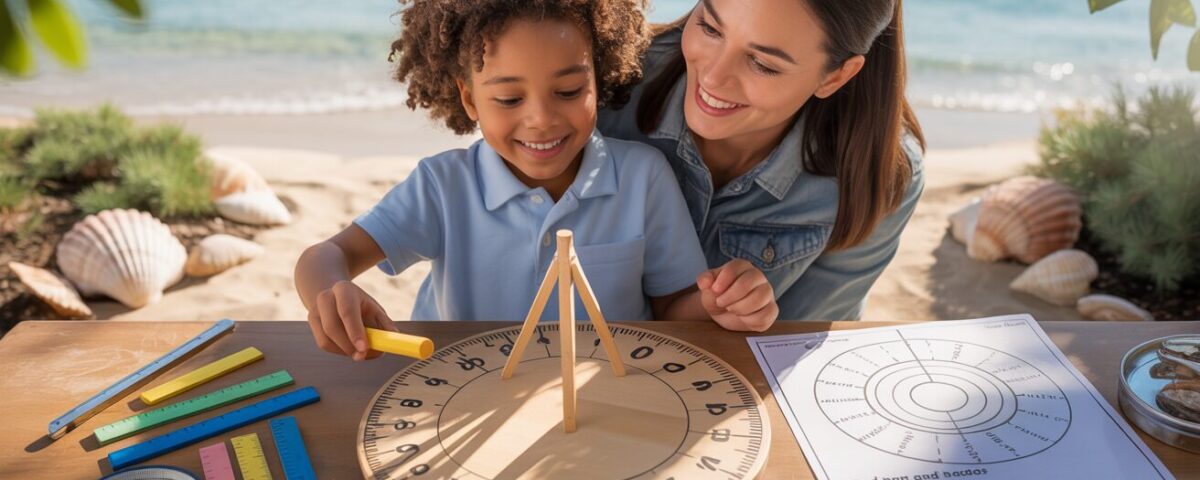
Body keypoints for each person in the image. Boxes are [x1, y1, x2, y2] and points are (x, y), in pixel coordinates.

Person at [294, 0, 780, 361]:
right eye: (508, 99)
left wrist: (720, 304)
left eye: (569, 90)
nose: (542, 120)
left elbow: (674, 306)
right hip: (463, 394)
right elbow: (324, 256)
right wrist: (331, 292)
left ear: (600, 77)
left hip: (603, 398)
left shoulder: (643, 178)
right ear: (469, 100)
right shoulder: (443, 187)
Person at [598, 0, 926, 320]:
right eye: (710, 28)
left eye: (762, 63)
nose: (713, 77)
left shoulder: (878, 174)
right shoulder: (605, 87)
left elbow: (799, 347)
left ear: (835, 77)